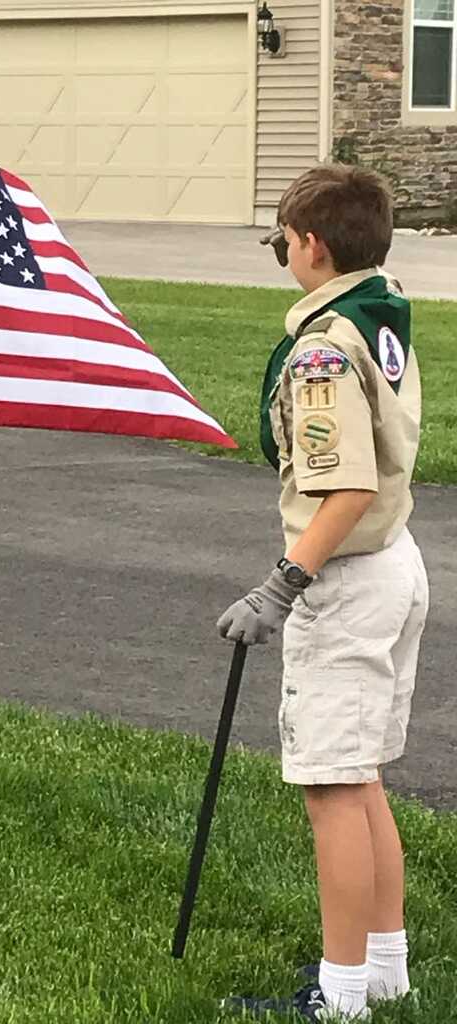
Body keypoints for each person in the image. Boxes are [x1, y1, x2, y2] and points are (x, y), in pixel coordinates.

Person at [216, 164, 429, 1022]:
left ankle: (340, 1001)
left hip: (345, 576)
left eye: (281, 239)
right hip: (396, 562)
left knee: (332, 789)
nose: (282, 252)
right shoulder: (380, 309)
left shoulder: (322, 351)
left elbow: (344, 489)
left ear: (310, 244)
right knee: (361, 775)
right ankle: (384, 968)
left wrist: (280, 588)